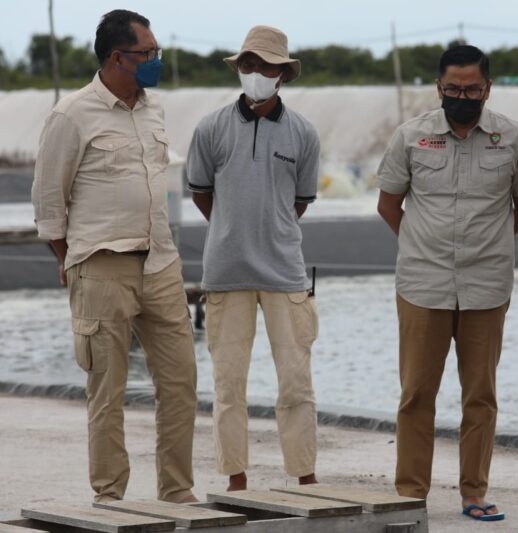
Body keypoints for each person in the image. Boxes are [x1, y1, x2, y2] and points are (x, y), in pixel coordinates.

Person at [31, 9, 198, 504]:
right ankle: (109, 494)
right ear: (116, 57)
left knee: (181, 381)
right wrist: (73, 261)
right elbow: (47, 202)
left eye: (157, 52)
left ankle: (177, 491)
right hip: (101, 263)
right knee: (108, 389)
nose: (156, 61)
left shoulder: (155, 110)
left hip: (161, 262)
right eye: (147, 54)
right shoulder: (72, 114)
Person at [376, 44, 518, 521]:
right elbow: (389, 205)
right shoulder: (410, 136)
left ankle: (474, 493)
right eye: (453, 89)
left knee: (481, 395)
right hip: (421, 284)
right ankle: (410, 494)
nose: (463, 96)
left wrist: (487, 245)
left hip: (487, 286)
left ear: (488, 88)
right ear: (439, 88)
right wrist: (422, 244)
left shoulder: (515, 138)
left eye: (472, 89)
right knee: (415, 395)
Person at [185, 25, 320, 492]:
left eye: (264, 65)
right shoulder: (210, 127)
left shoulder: (304, 132)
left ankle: (306, 476)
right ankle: (235, 480)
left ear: (282, 74)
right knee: (228, 387)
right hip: (225, 273)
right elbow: (202, 194)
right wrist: (233, 231)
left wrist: (270, 228)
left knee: (296, 383)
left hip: (285, 272)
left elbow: (300, 201)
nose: (254, 73)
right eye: (247, 64)